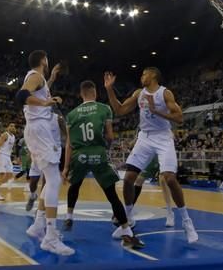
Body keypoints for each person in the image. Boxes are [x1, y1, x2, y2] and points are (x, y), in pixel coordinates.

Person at [104, 68, 198, 243]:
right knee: (128, 178)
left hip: (163, 137)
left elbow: (179, 118)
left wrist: (156, 111)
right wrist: (109, 89)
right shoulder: (139, 93)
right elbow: (119, 110)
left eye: (144, 74)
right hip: (145, 138)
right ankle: (128, 219)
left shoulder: (165, 93)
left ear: (154, 76)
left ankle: (187, 221)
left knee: (169, 178)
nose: (141, 77)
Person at [61, 80, 144, 249]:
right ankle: (126, 230)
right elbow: (111, 136)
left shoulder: (71, 114)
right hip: (98, 153)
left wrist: (66, 167)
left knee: (74, 186)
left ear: (81, 94)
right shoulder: (104, 109)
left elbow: (69, 143)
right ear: (95, 93)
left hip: (79, 155)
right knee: (111, 195)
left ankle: (69, 216)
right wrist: (104, 147)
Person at [15, 50, 73, 256]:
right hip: (39, 129)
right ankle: (49, 236)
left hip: (39, 129)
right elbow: (22, 95)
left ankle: (38, 226)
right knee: (54, 180)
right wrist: (45, 103)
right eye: (48, 60)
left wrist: (53, 78)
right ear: (43, 60)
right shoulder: (35, 76)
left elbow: (39, 91)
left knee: (50, 180)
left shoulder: (40, 79)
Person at [131, 156, 174, 227]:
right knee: (139, 180)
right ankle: (129, 210)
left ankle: (170, 212)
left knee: (163, 180)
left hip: (164, 154)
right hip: (153, 155)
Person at [0, 123, 17, 201]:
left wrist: (14, 157)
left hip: (8, 157)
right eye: (11, 126)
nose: (12, 127)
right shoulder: (5, 135)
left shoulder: (13, 137)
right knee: (1, 173)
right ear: (7, 127)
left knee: (10, 175)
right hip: (1, 155)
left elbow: (10, 148)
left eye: (14, 126)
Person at [15, 137, 42, 211]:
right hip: (34, 160)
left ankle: (41, 209)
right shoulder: (25, 138)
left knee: (46, 183)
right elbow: (22, 148)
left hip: (46, 159)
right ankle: (33, 195)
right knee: (33, 181)